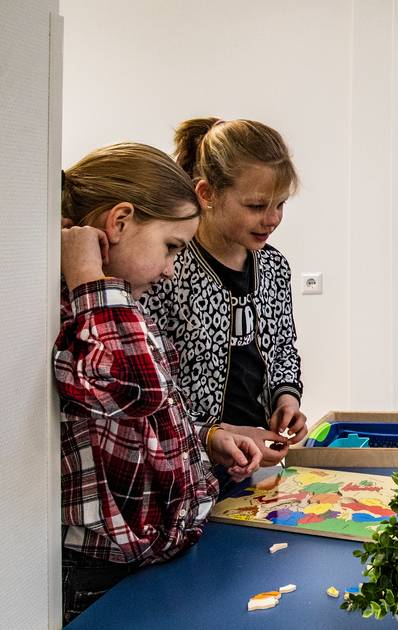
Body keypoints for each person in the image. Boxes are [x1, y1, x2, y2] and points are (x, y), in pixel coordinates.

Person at [56, 143, 263, 623]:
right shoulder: (81, 311)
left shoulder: (117, 307)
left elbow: (153, 411)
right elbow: (135, 386)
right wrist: (87, 274)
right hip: (103, 575)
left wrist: (206, 440)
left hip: (154, 559)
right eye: (170, 247)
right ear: (120, 222)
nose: (171, 269)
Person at [141, 118, 308, 474]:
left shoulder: (274, 266)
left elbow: (283, 348)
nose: (272, 219)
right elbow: (152, 389)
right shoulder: (167, 269)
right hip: (186, 465)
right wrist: (211, 435)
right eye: (256, 206)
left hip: (257, 460)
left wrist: (287, 398)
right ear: (207, 194)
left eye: (280, 204)